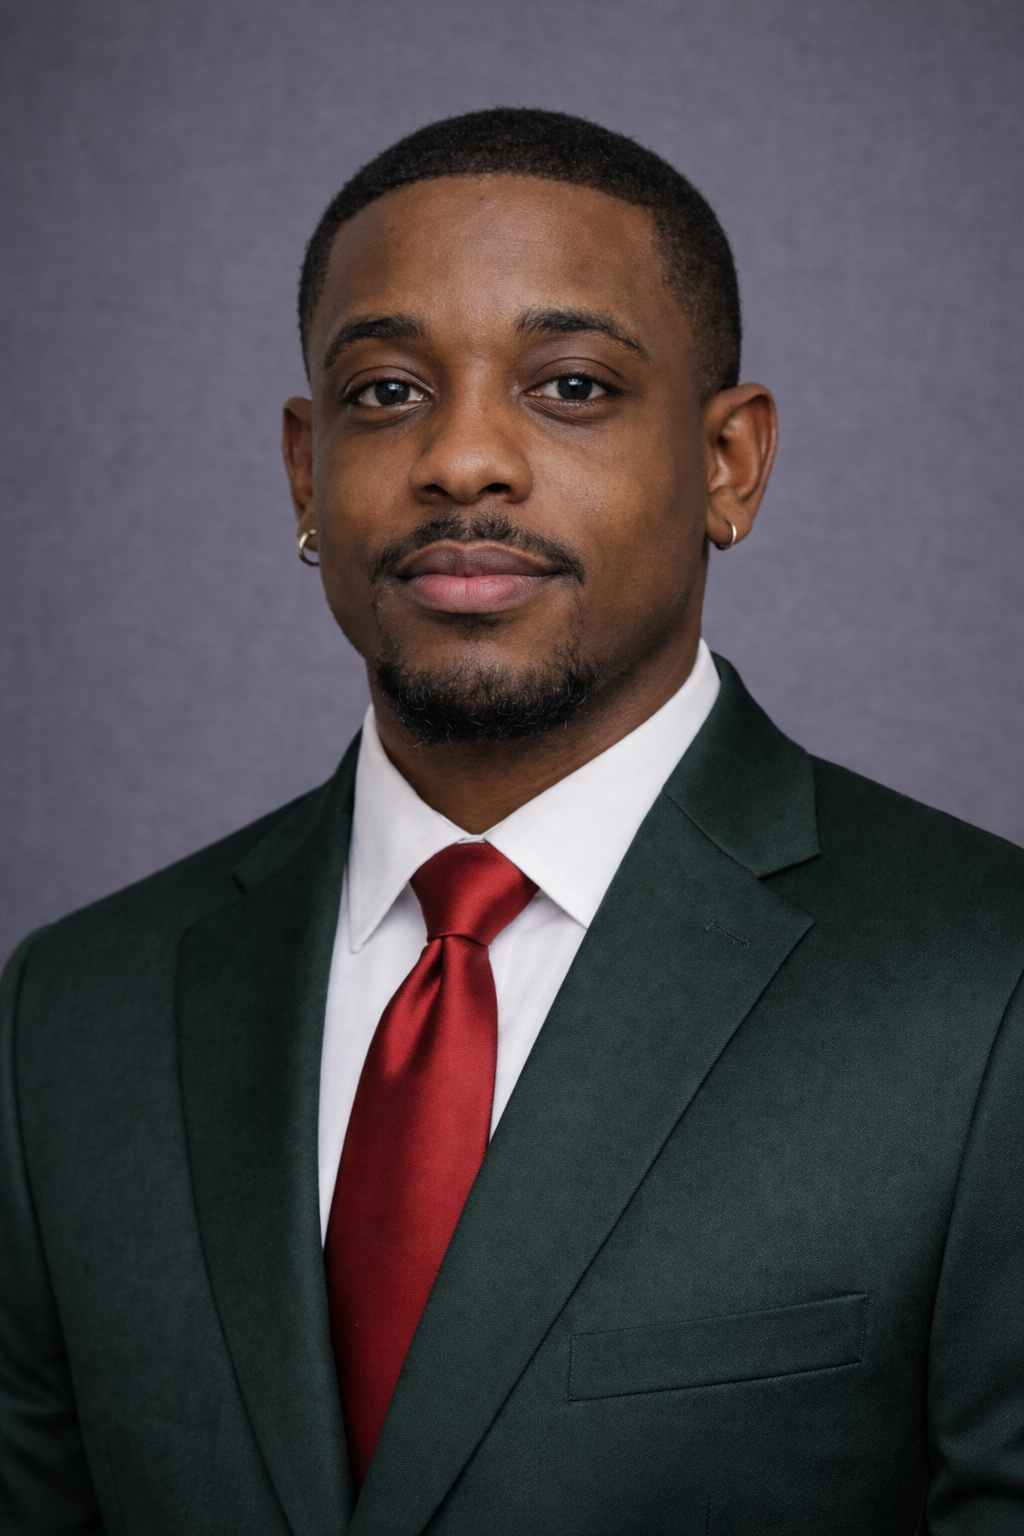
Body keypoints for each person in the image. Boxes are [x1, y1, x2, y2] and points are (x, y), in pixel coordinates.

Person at [1, 107, 1021, 1536]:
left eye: (572, 385)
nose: (463, 459)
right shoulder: (71, 1012)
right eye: (385, 394)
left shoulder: (989, 986)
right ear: (305, 472)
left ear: (730, 463)